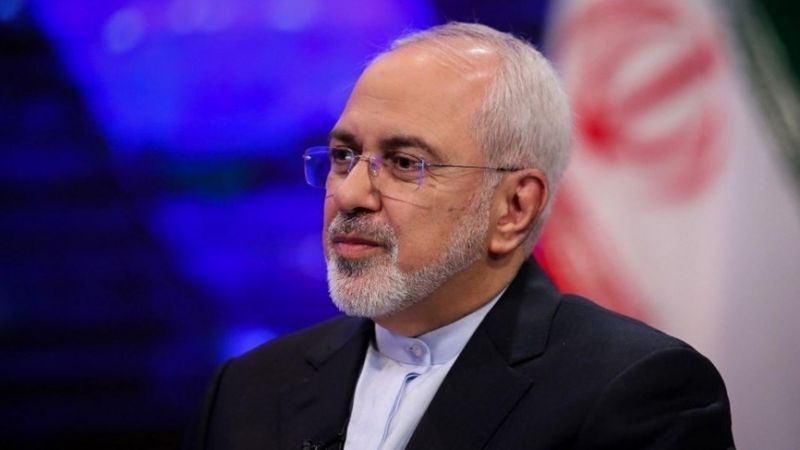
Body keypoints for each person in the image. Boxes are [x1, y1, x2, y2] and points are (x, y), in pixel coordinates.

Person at [185, 22, 734, 449]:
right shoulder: (248, 389)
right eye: (344, 155)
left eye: (404, 163)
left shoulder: (635, 391)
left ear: (514, 207)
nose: (350, 194)